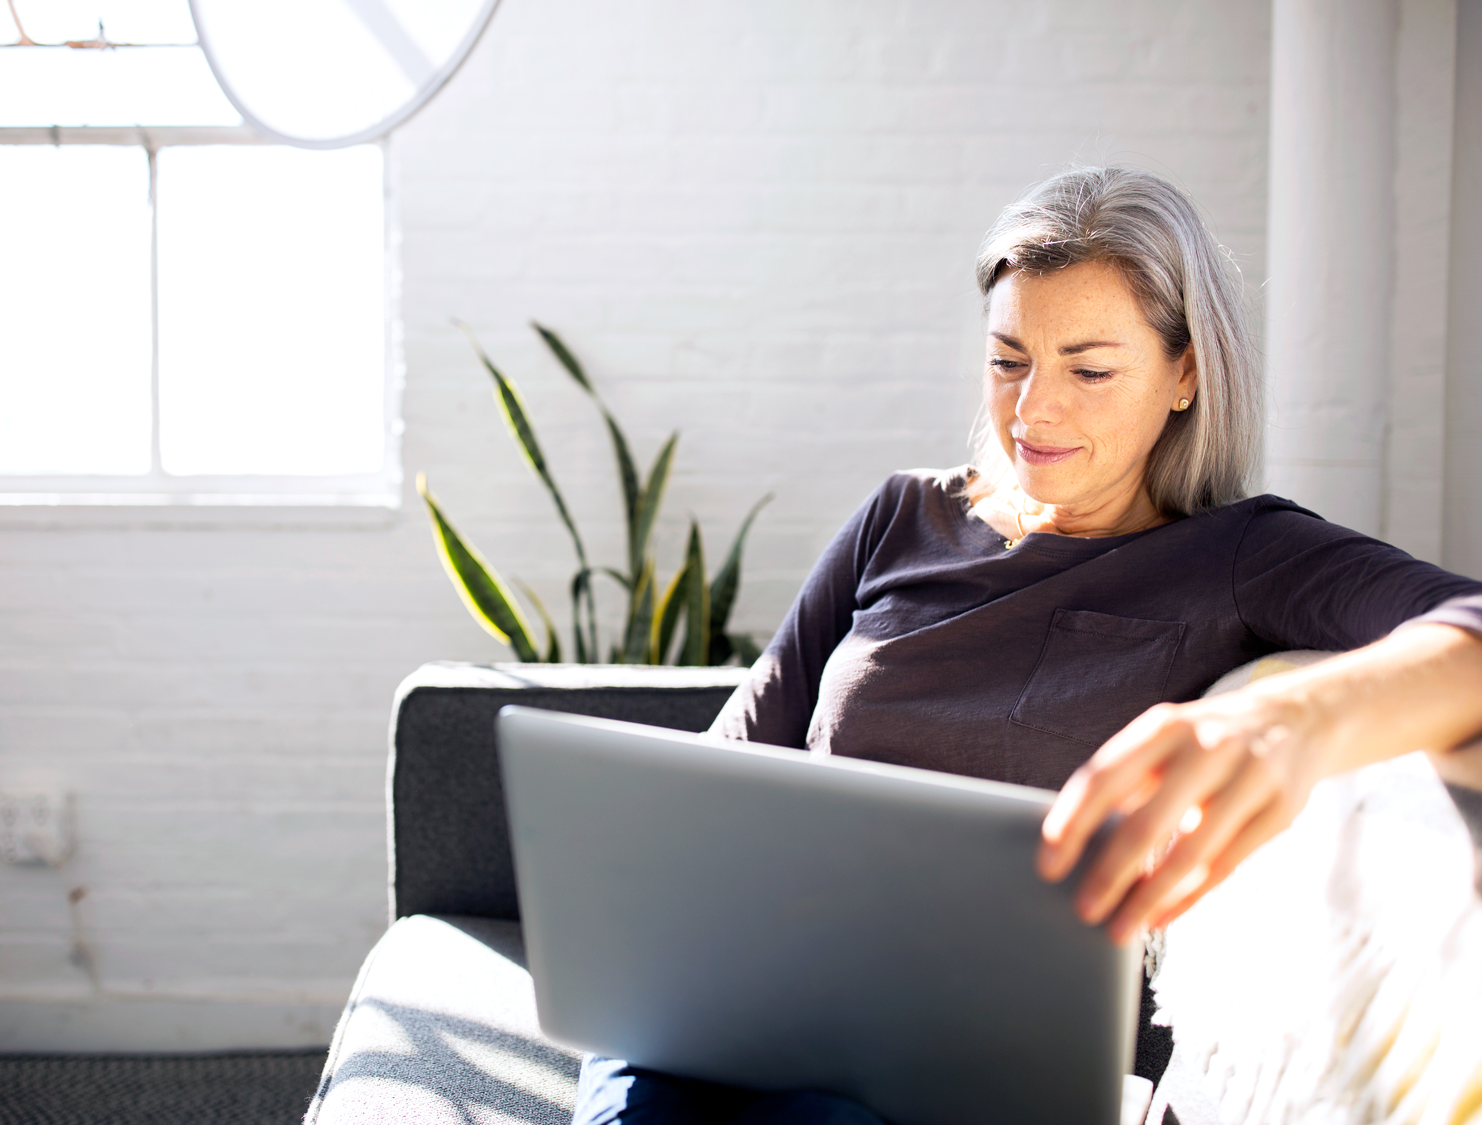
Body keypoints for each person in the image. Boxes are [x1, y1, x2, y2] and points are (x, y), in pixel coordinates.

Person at [573, 166, 1482, 1125]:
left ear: (1186, 374)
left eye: (1089, 370)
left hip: (964, 1063)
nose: (1033, 410)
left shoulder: (1241, 552)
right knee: (640, 1073)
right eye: (1009, 360)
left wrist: (1291, 720)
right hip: (759, 989)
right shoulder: (902, 514)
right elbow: (730, 766)